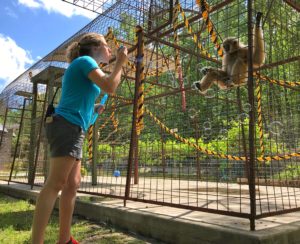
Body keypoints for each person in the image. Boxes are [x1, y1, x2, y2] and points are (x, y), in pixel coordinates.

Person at [31, 32, 128, 244]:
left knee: (72, 183)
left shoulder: (86, 66)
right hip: (66, 125)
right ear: (94, 47)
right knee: (55, 183)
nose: (110, 50)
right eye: (106, 45)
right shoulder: (84, 61)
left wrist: (93, 109)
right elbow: (110, 86)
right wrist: (120, 62)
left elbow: (105, 88)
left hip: (75, 127)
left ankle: (64, 240)